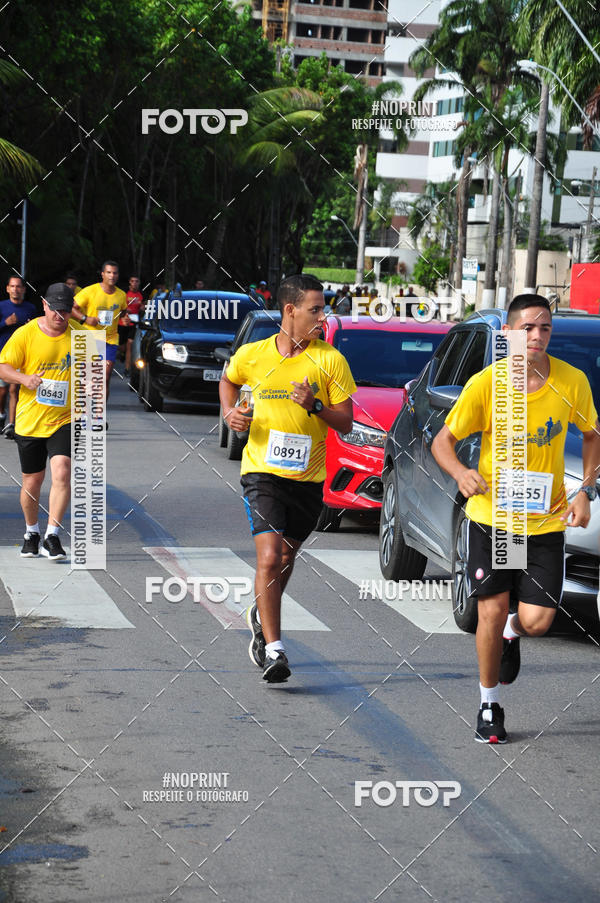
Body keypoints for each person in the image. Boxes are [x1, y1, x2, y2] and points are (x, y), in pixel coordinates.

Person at [431, 294, 600, 744]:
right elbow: (443, 442)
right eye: (527, 328)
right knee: (490, 609)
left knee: (539, 621)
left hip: (543, 524)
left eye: (544, 328)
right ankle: (489, 704)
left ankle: (512, 632)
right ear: (508, 334)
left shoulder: (572, 381)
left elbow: (591, 436)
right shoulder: (486, 385)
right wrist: (461, 472)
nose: (537, 336)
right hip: (493, 520)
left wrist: (585, 489)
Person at [219, 274, 356, 683]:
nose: (322, 317)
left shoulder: (330, 359)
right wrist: (231, 413)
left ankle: (261, 610)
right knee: (269, 556)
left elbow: (346, 422)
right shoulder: (253, 354)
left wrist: (315, 405)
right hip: (261, 471)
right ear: (290, 311)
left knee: (285, 559)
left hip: (309, 478)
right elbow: (229, 380)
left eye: (324, 309)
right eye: (315, 310)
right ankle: (274, 648)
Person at [0, 283, 76, 560]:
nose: (60, 315)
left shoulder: (81, 336)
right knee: (32, 481)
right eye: (55, 309)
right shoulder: (26, 334)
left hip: (64, 419)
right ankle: (31, 532)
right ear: (44, 304)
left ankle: (52, 536)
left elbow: (92, 375)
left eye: (65, 310)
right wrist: (24, 379)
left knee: (62, 471)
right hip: (31, 419)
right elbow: (3, 367)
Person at [71, 260, 127, 401]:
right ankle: (83, 412)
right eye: (108, 272)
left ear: (118, 275)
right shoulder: (90, 291)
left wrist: (124, 320)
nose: (111, 276)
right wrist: (85, 318)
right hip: (89, 337)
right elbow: (70, 308)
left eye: (114, 273)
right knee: (87, 378)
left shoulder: (121, 295)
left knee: (104, 377)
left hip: (110, 339)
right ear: (102, 274)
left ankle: (98, 415)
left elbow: (123, 313)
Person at [0, 275, 37, 439]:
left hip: (22, 354)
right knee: (2, 391)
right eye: (12, 286)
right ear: (7, 288)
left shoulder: (30, 308)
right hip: (3, 354)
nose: (16, 289)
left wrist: (30, 326)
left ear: (24, 289)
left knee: (15, 388)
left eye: (18, 286)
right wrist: (5, 323)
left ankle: (11, 424)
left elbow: (36, 330)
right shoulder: (1, 306)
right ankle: (2, 414)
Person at [118, 276, 144, 376]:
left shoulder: (141, 294)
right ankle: (122, 353)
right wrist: (125, 311)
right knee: (122, 347)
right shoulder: (124, 293)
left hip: (134, 323)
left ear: (139, 282)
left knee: (130, 344)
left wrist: (143, 307)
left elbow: (144, 305)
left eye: (137, 281)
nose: (134, 283)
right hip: (123, 322)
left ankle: (127, 368)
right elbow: (118, 306)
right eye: (132, 281)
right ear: (129, 282)